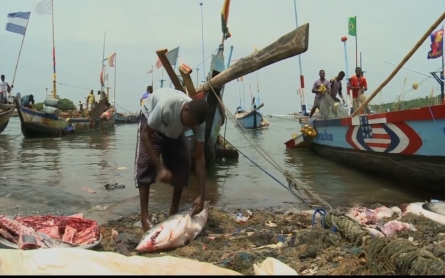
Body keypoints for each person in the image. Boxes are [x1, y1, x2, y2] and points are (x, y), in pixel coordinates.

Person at [135, 87, 208, 232]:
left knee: (183, 165)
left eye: (193, 126)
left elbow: (200, 157)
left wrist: (202, 195)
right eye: (189, 123)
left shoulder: (197, 122)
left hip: (174, 129)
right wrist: (160, 168)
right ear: (185, 109)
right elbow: (145, 135)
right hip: (152, 124)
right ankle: (144, 217)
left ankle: (173, 211)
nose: (190, 127)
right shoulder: (167, 105)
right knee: (146, 165)